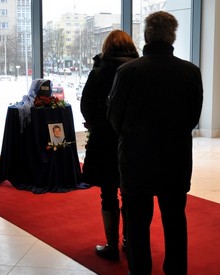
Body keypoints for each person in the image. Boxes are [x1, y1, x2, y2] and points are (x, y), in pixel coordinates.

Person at [107, 12, 203, 274]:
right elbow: (193, 117)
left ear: (147, 35)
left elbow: (115, 117)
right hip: (175, 158)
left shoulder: (127, 71)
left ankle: (140, 270)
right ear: (172, 36)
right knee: (175, 222)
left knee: (137, 224)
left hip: (136, 160)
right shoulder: (190, 72)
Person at [80, 29, 139, 262]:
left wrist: (97, 124)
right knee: (130, 193)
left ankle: (111, 245)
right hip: (133, 139)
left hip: (104, 139)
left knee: (108, 193)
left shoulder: (99, 72)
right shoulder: (139, 69)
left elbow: (87, 105)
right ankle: (129, 241)